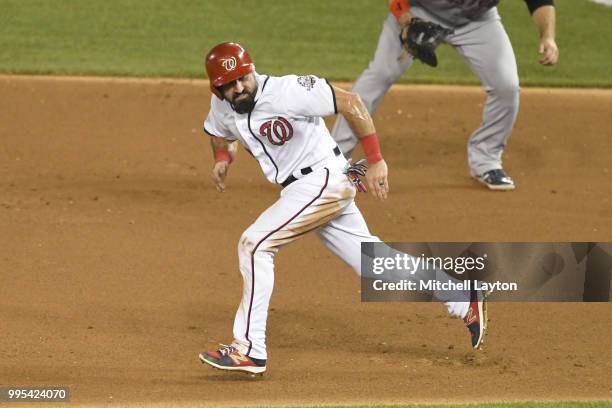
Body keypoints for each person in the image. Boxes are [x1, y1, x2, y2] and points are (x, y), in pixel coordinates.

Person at [198, 42, 487, 375]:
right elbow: (219, 132)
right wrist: (222, 158)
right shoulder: (223, 105)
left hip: (324, 178)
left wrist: (376, 160)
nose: (237, 88)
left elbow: (351, 101)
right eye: (228, 85)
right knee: (374, 264)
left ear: (251, 69)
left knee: (255, 245)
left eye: (241, 79)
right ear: (217, 89)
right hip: (308, 189)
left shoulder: (288, 90)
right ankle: (462, 297)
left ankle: (249, 350)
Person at [331, 0, 559, 190]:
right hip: (418, 12)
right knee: (380, 74)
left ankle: (486, 160)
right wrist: (405, 22)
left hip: (477, 21)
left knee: (506, 86)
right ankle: (333, 159)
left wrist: (547, 36)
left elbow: (540, 1)